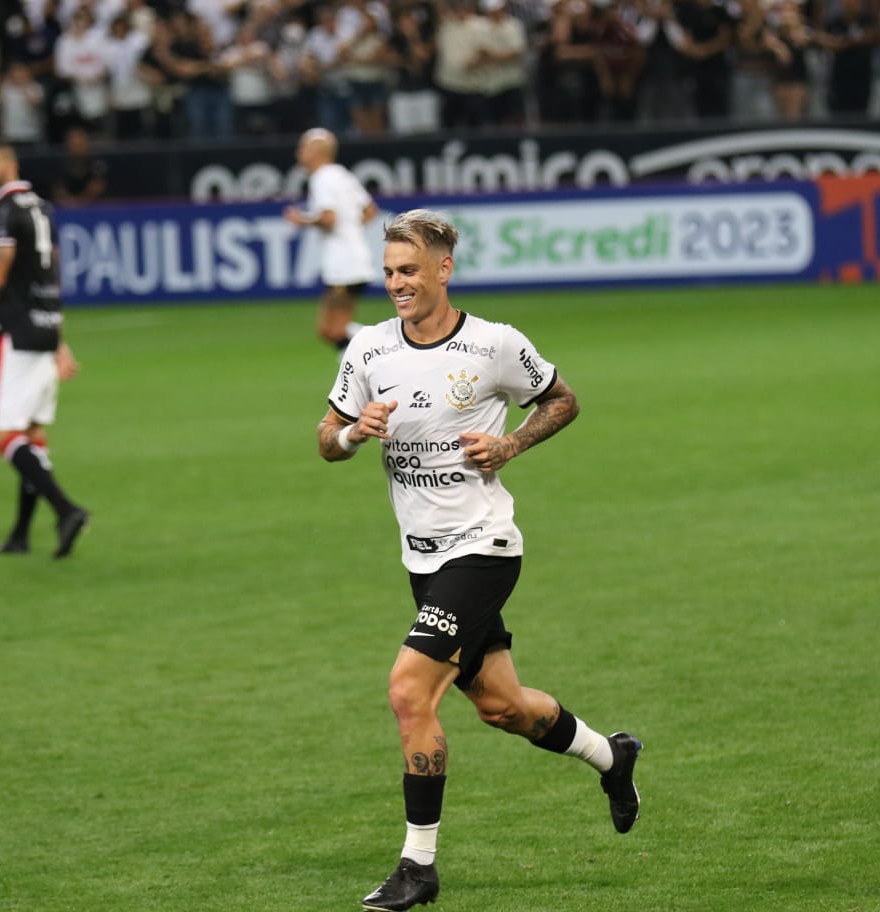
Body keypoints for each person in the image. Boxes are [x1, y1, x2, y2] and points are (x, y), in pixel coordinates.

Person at [315, 208, 642, 912]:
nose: (397, 283)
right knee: (501, 707)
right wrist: (352, 435)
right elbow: (326, 435)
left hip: (484, 548)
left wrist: (511, 445)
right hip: (424, 558)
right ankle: (613, 757)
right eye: (389, 272)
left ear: (444, 269)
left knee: (409, 691)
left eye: (409, 270)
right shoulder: (369, 349)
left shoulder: (492, 344)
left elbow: (562, 399)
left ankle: (418, 866)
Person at [0, 140, 90, 559]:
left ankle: (65, 509)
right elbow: (49, 275)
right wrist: (59, 342)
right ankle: (20, 535)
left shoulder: (1, 210)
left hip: (13, 329)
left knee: (2, 431)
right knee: (31, 433)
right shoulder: (41, 208)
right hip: (44, 328)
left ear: (10, 166)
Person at [284, 127, 379, 353]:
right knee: (332, 330)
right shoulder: (341, 175)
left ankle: (383, 349)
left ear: (317, 150)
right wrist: (351, 231)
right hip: (355, 259)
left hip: (343, 265)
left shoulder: (321, 179)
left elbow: (329, 218)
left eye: (303, 147)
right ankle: (367, 364)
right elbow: (370, 211)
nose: (299, 152)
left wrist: (302, 219)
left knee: (332, 330)